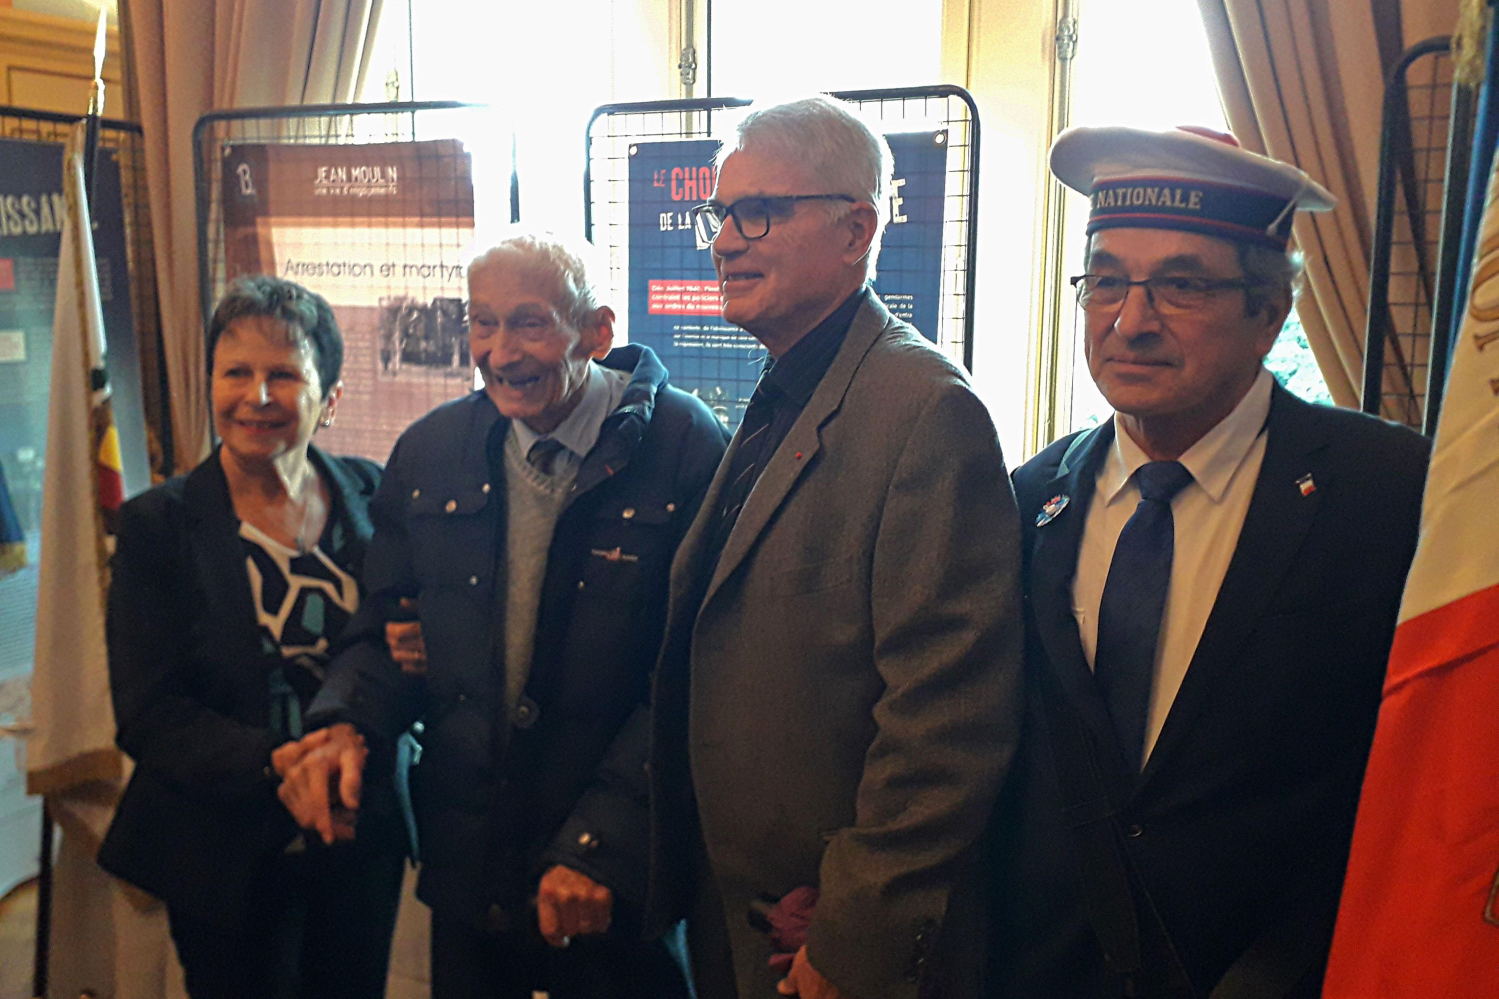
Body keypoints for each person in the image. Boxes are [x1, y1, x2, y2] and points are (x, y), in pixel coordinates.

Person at [986, 126, 1432, 998]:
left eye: (1180, 285)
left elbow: (1410, 777)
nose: (1129, 320)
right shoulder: (1031, 497)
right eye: (1105, 280)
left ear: (1268, 311)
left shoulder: (1388, 493)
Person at [278, 232, 728, 999]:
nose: (498, 351)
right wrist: (345, 721)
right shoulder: (429, 450)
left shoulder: (686, 448)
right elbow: (385, 630)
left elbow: (695, 678)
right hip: (469, 872)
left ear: (597, 330)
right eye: (481, 323)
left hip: (609, 882)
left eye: (529, 322)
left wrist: (603, 845)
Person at [645, 95, 1025, 999]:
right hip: (740, 915)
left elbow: (946, 720)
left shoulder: (926, 411)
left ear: (857, 228)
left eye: (757, 213)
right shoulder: (789, 386)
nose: (723, 242)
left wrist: (855, 936)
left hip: (824, 949)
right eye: (718, 214)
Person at [97, 276, 406, 999]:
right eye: (236, 372)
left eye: (283, 374)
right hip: (221, 849)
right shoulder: (156, 527)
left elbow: (404, 646)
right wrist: (285, 761)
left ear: (329, 397)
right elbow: (148, 714)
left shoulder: (376, 495)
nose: (256, 396)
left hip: (358, 841)